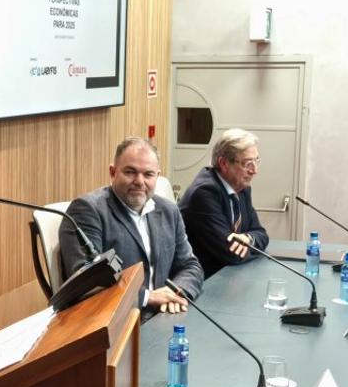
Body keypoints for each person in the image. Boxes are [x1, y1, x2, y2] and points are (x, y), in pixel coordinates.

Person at [58, 137, 202, 315]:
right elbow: (88, 284)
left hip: (164, 315)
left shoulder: (168, 210)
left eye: (148, 174)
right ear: (113, 172)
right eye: (130, 172)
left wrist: (176, 293)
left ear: (157, 176)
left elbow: (190, 266)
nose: (139, 181)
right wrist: (147, 297)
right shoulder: (87, 211)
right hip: (116, 323)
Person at [179, 128, 269, 278]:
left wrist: (248, 239)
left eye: (256, 161)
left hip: (231, 276)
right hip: (205, 281)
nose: (254, 171)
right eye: (247, 163)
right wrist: (254, 246)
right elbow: (231, 254)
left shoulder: (242, 189)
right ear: (224, 163)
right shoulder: (204, 193)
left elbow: (261, 234)